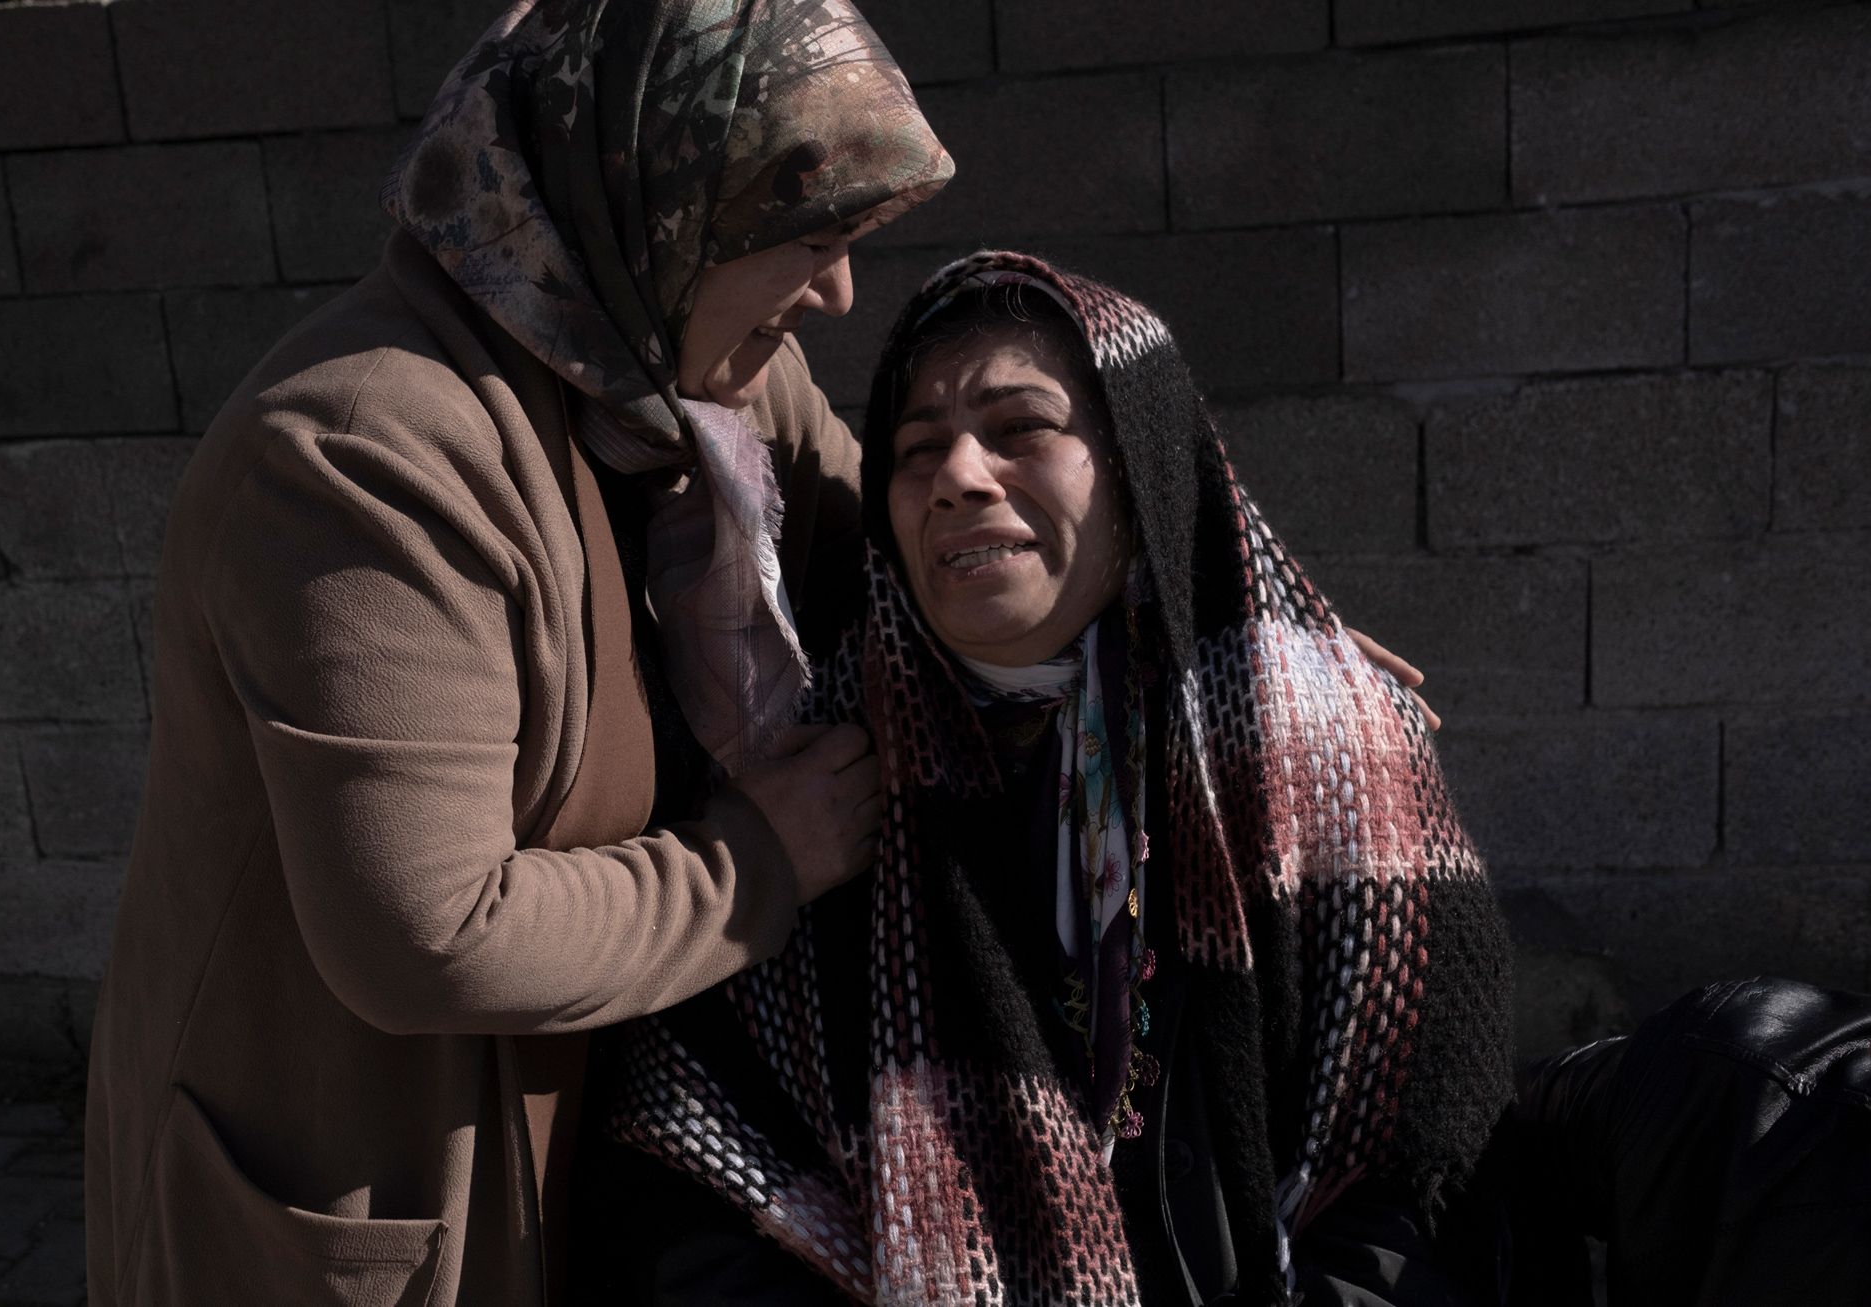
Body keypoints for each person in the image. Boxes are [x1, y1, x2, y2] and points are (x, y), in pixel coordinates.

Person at [83, 3, 951, 1303]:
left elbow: (909, 564)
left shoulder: (697, 381)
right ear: (660, 209)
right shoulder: (362, 457)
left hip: (590, 1153)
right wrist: (756, 861)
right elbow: (424, 932)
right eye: (808, 241)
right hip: (374, 1179)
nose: (837, 293)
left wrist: (1200, 619)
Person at [599, 251, 1515, 1305]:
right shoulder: (815, 782)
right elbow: (700, 1159)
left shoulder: (1326, 752)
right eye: (917, 448)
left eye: (1021, 428)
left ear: (1138, 468)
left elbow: (1423, 1172)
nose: (959, 475)